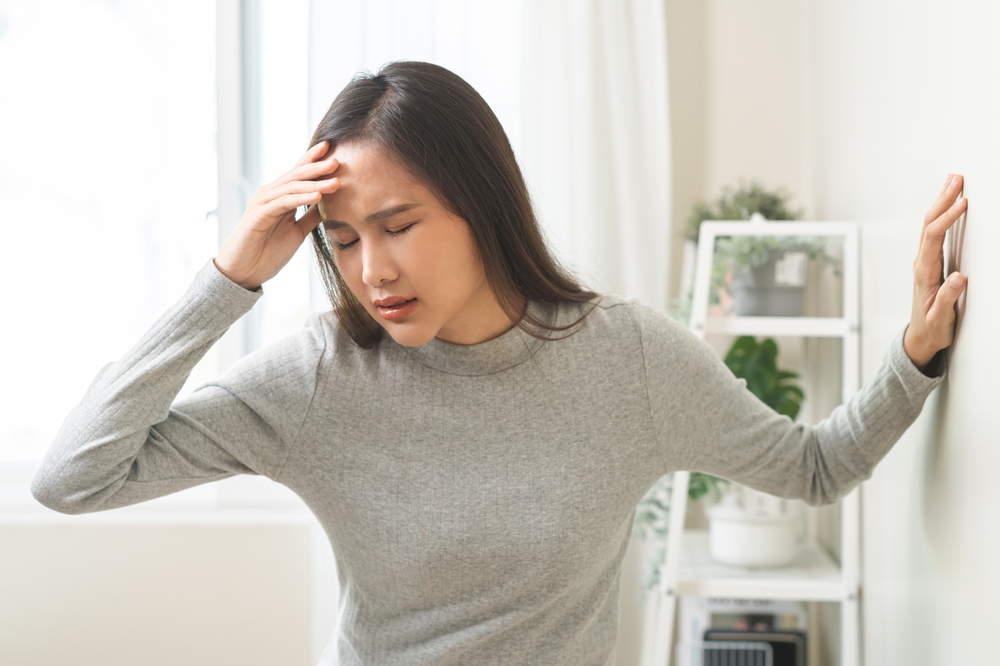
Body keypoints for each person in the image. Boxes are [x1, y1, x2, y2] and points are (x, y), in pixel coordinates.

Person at [30, 61, 966, 665]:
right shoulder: (319, 378)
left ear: (484, 205)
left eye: (399, 226)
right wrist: (229, 279)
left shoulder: (626, 358)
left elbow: (815, 468)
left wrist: (916, 352)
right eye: (346, 240)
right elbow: (74, 478)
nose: (373, 270)